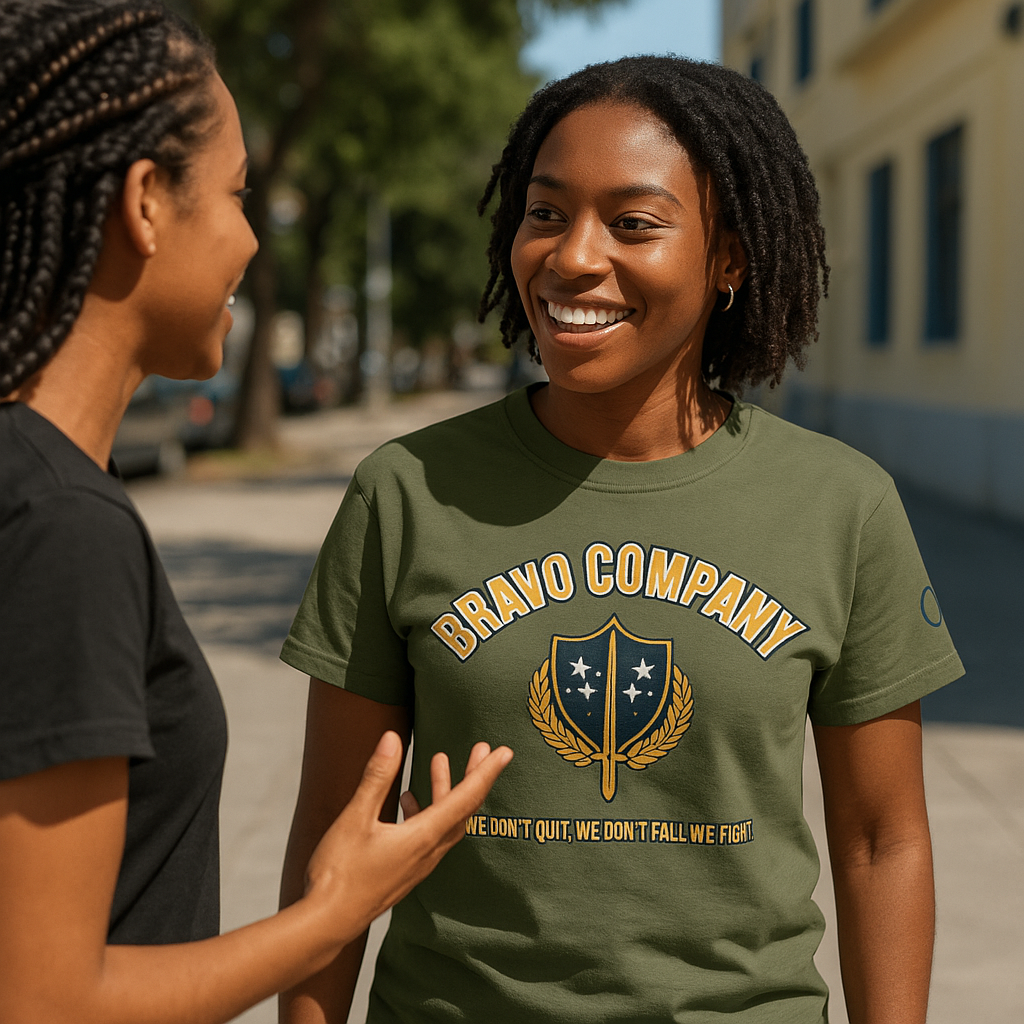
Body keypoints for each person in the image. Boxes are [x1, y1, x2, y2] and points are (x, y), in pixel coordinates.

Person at [278, 57, 963, 1024]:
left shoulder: (839, 505)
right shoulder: (407, 493)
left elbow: (882, 839)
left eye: (633, 223)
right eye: (545, 212)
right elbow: (334, 827)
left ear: (728, 258)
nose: (571, 257)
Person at [0, 3, 511, 1022]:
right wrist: (337, 909)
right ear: (146, 201)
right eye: (239, 195)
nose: (248, 237)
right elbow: (46, 998)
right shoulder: (65, 528)